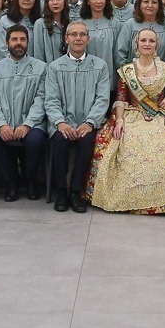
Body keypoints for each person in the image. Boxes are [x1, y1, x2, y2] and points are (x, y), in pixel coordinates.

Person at [85, 28, 165, 213]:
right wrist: (119, 120)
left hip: (161, 115)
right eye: (143, 40)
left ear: (156, 45)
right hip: (132, 115)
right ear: (136, 44)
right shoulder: (127, 70)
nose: (147, 44)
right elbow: (121, 99)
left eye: (151, 41)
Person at [45, 21, 111, 213]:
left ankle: (75, 191)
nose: (78, 38)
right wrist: (60, 123)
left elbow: (102, 99)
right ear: (66, 39)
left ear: (88, 39)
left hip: (87, 123)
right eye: (73, 34)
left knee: (87, 142)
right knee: (60, 141)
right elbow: (51, 99)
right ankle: (61, 192)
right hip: (62, 123)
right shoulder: (55, 67)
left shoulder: (99, 66)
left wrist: (90, 123)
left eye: (82, 34)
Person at [0, 26, 48, 202]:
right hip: (1, 122)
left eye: (22, 39)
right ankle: (12, 181)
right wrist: (1, 124)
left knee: (36, 140)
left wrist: (27, 124)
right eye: (14, 39)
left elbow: (41, 100)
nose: (19, 43)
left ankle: (31, 180)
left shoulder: (41, 68)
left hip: (31, 122)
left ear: (28, 42)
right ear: (6, 43)